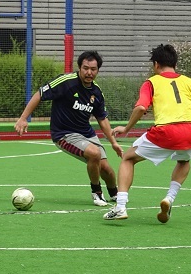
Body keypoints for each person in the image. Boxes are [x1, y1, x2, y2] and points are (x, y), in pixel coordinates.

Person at [103, 43, 191, 222]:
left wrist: (126, 128)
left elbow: (141, 107)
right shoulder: (190, 82)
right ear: (175, 64)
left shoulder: (151, 82)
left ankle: (120, 206)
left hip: (165, 131)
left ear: (156, 64)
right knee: (184, 160)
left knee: (128, 158)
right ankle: (169, 198)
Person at [15, 51, 123, 206]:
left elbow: (102, 119)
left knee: (106, 169)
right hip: (64, 135)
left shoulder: (97, 92)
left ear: (98, 70)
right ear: (79, 68)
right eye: (85, 68)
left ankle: (115, 194)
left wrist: (113, 142)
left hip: (86, 133)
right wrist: (23, 118)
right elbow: (40, 94)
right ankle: (97, 193)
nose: (89, 72)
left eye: (93, 69)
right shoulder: (66, 82)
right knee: (94, 153)